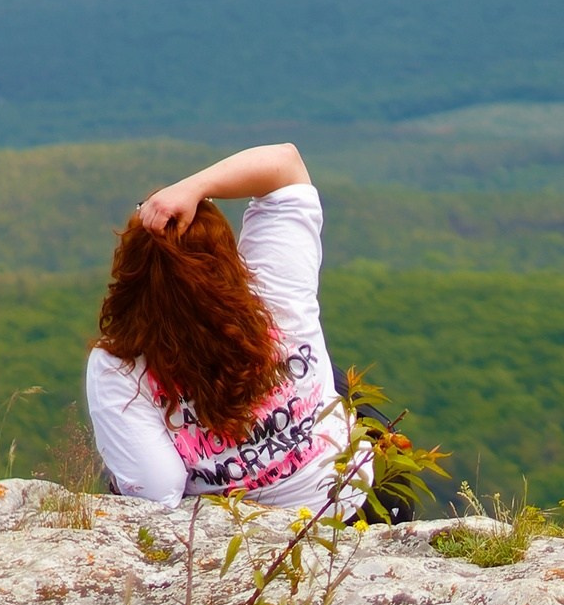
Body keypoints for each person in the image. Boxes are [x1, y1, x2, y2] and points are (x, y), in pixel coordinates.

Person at [85, 143, 366, 517]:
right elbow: (284, 164)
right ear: (226, 257)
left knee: (124, 458)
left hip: (249, 544)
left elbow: (157, 490)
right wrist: (195, 188)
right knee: (332, 381)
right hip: (354, 503)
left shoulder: (118, 367)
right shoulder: (275, 289)